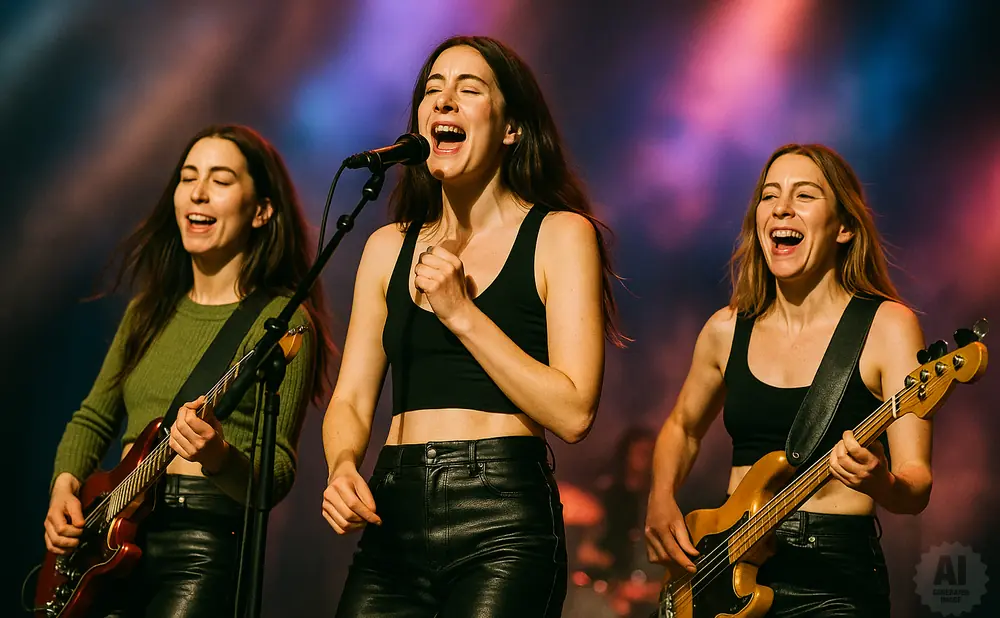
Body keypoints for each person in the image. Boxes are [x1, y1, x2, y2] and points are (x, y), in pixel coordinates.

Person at [322, 35, 623, 618]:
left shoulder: (560, 236)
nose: (444, 102)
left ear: (511, 127)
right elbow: (353, 399)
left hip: (503, 519)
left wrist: (462, 314)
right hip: (395, 511)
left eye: (468, 90)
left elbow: (574, 411)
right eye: (432, 90)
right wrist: (340, 466)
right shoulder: (388, 247)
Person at [42, 124, 335, 617]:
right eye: (188, 177)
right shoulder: (147, 310)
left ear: (262, 210)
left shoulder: (281, 324)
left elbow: (277, 474)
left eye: (221, 180)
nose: (197, 193)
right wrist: (64, 485)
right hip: (109, 540)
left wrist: (218, 455)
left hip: (202, 547)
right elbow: (93, 417)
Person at [644, 143, 933, 617]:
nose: (781, 207)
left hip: (832, 579)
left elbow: (916, 483)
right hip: (728, 568)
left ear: (843, 228)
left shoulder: (887, 326)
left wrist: (880, 481)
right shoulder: (725, 329)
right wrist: (660, 500)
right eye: (769, 195)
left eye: (805, 196)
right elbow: (682, 427)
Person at [567, 426, 662, 618]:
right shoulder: (605, 494)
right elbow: (586, 552)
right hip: (597, 594)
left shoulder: (655, 503)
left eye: (651, 453)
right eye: (641, 452)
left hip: (634, 595)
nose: (646, 459)